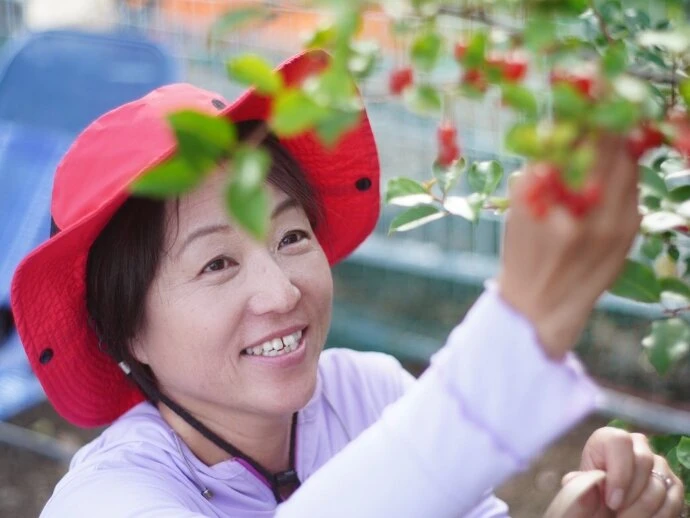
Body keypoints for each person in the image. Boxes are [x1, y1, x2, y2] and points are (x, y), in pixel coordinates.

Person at [9, 50, 684, 517]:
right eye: (216, 264)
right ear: (128, 329)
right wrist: (522, 325)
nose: (281, 292)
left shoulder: (372, 395)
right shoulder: (108, 499)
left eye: (292, 236)